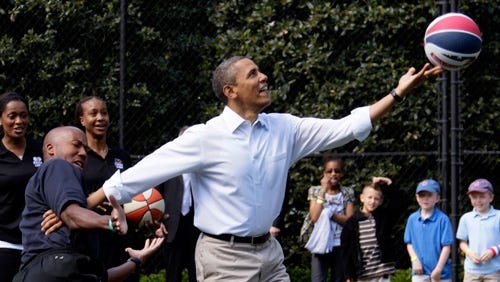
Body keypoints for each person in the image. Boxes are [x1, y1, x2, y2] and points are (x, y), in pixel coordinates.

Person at [87, 56, 442, 281]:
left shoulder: (284, 129)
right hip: (223, 259)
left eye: (260, 71)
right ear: (230, 90)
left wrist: (397, 93)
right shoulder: (205, 137)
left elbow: (346, 126)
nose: (263, 77)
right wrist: (82, 205)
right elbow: (144, 171)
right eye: (252, 74)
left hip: (270, 256)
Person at [14, 126, 164, 281]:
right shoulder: (58, 165)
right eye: (76, 145)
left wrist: (136, 261)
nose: (84, 153)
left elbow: (101, 277)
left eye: (85, 148)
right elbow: (72, 216)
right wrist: (110, 222)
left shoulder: (59, 196)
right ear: (51, 149)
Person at [75, 96, 143, 281]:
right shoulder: (79, 156)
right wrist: (87, 202)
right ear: (82, 120)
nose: (100, 118)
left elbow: (134, 194)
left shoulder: (121, 156)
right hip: (90, 238)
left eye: (104, 113)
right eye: (93, 113)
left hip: (122, 237)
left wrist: (147, 212)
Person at [0, 92, 43, 281]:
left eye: (23, 115)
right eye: (12, 116)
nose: (19, 121)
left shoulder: (41, 150)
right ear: (0, 119)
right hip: (5, 242)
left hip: (38, 241)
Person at [157, 126, 200, 282]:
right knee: (172, 275)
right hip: (172, 226)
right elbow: (155, 195)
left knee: (198, 274)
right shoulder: (167, 166)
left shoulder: (203, 168)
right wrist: (157, 222)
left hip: (197, 227)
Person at [341, 176, 405, 282]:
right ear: (362, 198)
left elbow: (398, 204)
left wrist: (388, 182)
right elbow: (346, 250)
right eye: (369, 197)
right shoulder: (352, 223)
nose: (372, 201)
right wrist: (348, 275)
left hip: (382, 272)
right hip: (363, 274)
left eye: (376, 198)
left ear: (381, 201)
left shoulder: (384, 217)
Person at [304, 154, 354, 282]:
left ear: (342, 174)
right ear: (324, 173)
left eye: (337, 171)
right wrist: (323, 190)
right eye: (329, 171)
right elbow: (315, 217)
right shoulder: (315, 190)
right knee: (318, 279)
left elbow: (349, 222)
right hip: (320, 242)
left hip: (340, 243)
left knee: (339, 278)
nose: (333, 174)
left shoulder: (347, 192)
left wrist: (330, 214)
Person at [404, 179, 454, 282]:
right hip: (419, 273)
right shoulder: (412, 219)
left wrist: (438, 269)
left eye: (429, 195)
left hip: (441, 275)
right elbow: (409, 243)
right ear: (417, 198)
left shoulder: (443, 219)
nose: (425, 199)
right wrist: (414, 260)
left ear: (437, 198)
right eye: (422, 195)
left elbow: (446, 246)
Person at [456, 178, 500, 282]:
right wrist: (469, 252)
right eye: (474, 197)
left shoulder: (498, 216)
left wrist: (494, 251)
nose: (478, 201)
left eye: (482, 197)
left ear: (491, 197)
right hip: (471, 271)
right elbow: (462, 242)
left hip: (495, 271)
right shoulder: (466, 218)